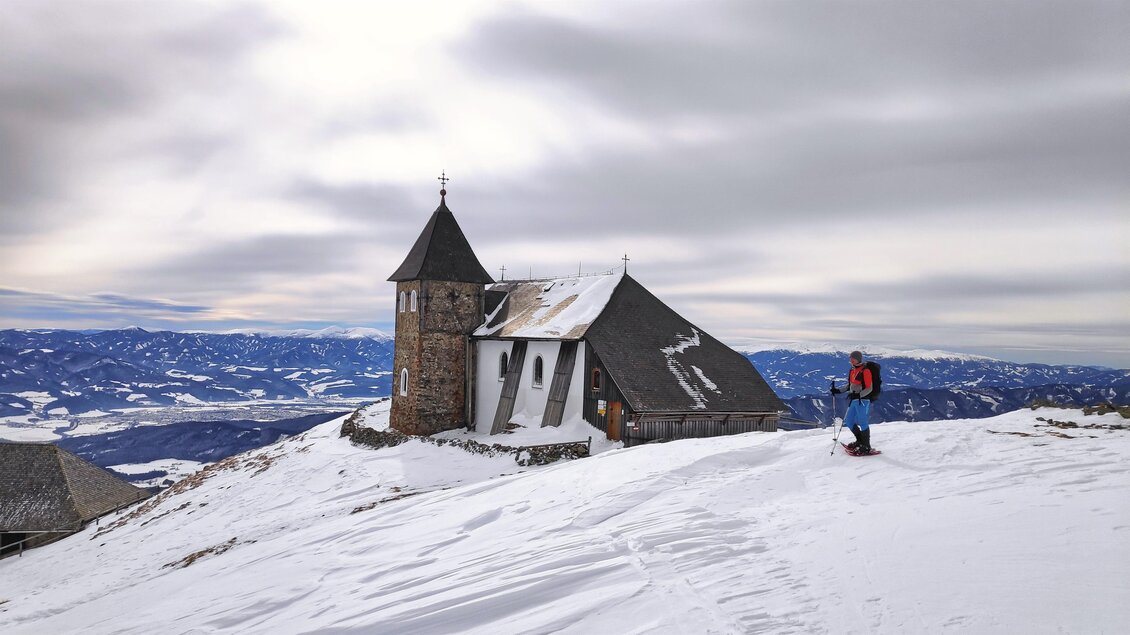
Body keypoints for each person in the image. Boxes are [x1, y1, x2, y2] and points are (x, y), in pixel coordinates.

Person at [830, 350, 874, 454]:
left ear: (858, 359)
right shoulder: (852, 370)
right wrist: (838, 391)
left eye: (852, 358)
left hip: (863, 401)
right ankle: (860, 441)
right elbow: (850, 386)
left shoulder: (865, 371)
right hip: (854, 399)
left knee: (863, 422)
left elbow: (869, 388)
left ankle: (866, 446)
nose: (850, 360)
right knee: (849, 421)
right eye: (850, 358)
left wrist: (859, 395)